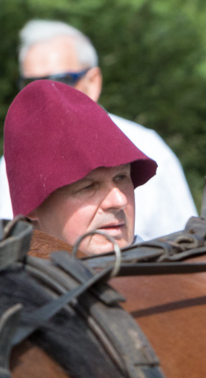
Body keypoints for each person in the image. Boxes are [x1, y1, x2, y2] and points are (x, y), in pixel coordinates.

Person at [0, 20, 195, 237]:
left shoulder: (147, 146)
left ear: (93, 82)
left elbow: (183, 247)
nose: (49, 94)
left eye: (61, 80)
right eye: (32, 85)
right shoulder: (10, 166)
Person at [3, 80, 157, 256]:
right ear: (33, 207)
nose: (119, 200)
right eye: (88, 186)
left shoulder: (169, 270)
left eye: (121, 177)